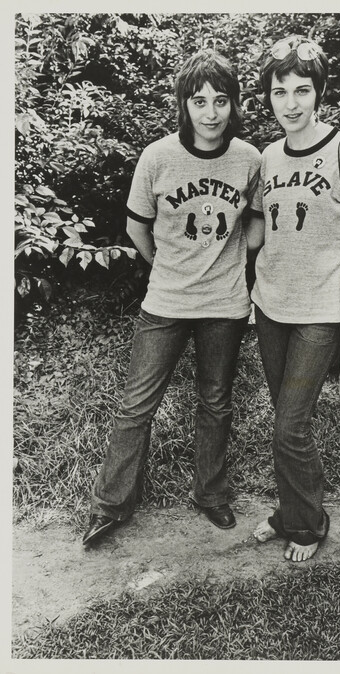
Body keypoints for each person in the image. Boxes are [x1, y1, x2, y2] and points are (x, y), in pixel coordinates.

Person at [83, 49, 263, 546]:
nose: (210, 112)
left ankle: (210, 494)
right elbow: (136, 226)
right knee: (137, 405)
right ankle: (111, 505)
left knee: (216, 402)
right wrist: (168, 262)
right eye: (199, 101)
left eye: (220, 101)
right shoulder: (158, 157)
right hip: (165, 302)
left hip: (225, 304)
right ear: (183, 105)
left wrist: (226, 256)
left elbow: (256, 224)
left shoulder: (249, 158)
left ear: (233, 105)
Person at [251, 35, 340, 562]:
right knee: (283, 418)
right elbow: (261, 234)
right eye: (279, 91)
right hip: (270, 305)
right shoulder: (267, 156)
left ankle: (309, 523)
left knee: (291, 425)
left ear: (319, 92)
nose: (290, 102)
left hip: (320, 311)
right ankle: (289, 512)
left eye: (301, 90)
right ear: (269, 97)